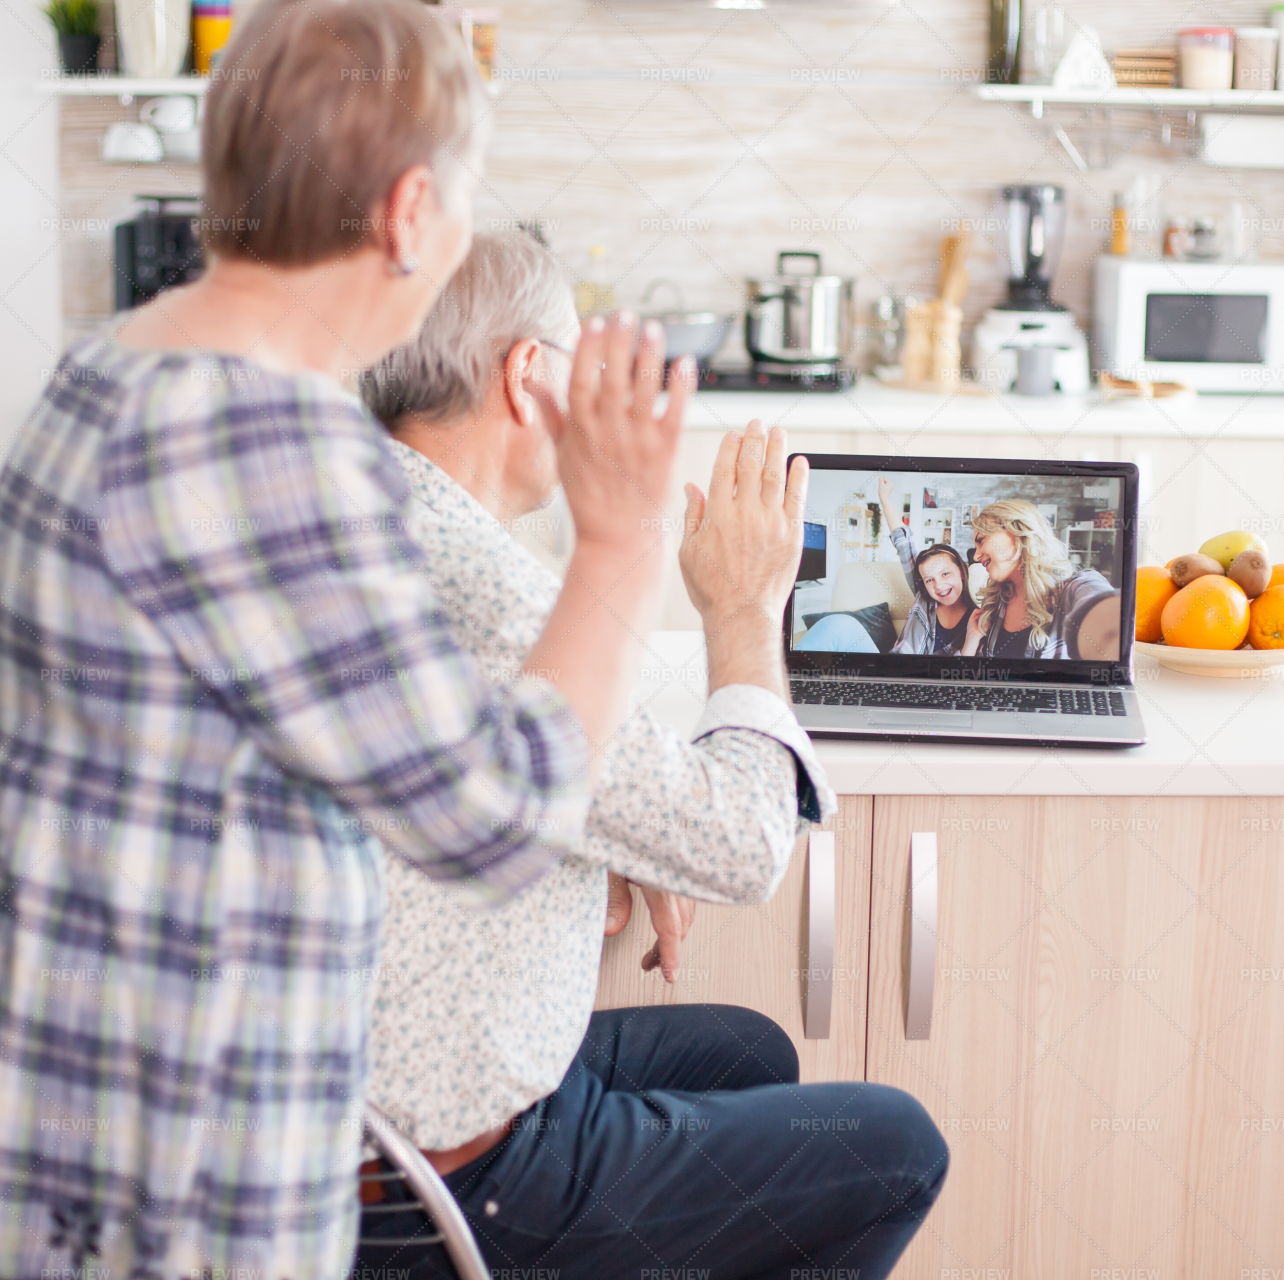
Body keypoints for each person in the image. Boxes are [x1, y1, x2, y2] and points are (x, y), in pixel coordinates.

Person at [0, 7, 695, 1278]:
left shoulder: (112, 367)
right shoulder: (276, 462)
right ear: (409, 212)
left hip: (6, 1056)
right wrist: (623, 542)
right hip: (157, 1162)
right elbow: (498, 815)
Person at [353, 231, 950, 1280]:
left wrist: (608, 831)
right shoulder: (489, 595)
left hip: (373, 1087)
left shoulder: (376, 515)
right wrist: (744, 608)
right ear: (526, 375)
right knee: (897, 1146)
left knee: (749, 1054)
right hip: (442, 1177)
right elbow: (740, 845)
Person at [963, 497, 1122, 660]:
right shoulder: (997, 602)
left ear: (1018, 531)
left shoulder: (1072, 589)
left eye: (981, 541)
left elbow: (1105, 610)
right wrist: (971, 639)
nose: (976, 556)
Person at [878, 476, 980, 655]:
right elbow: (903, 543)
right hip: (894, 671)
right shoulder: (924, 597)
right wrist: (884, 499)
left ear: (961, 572)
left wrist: (972, 638)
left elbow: (966, 676)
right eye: (929, 579)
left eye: (945, 574)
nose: (938, 585)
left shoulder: (977, 618)